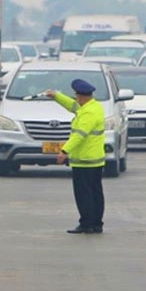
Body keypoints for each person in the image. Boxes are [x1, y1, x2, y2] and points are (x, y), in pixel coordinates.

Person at [42, 79, 105, 234]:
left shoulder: (88, 113)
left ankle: (87, 224)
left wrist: (64, 151)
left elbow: (79, 135)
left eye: (76, 95)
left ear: (81, 96)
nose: (75, 98)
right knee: (95, 193)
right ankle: (96, 223)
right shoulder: (92, 106)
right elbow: (71, 105)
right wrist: (56, 96)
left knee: (84, 195)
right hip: (94, 160)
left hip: (85, 160)